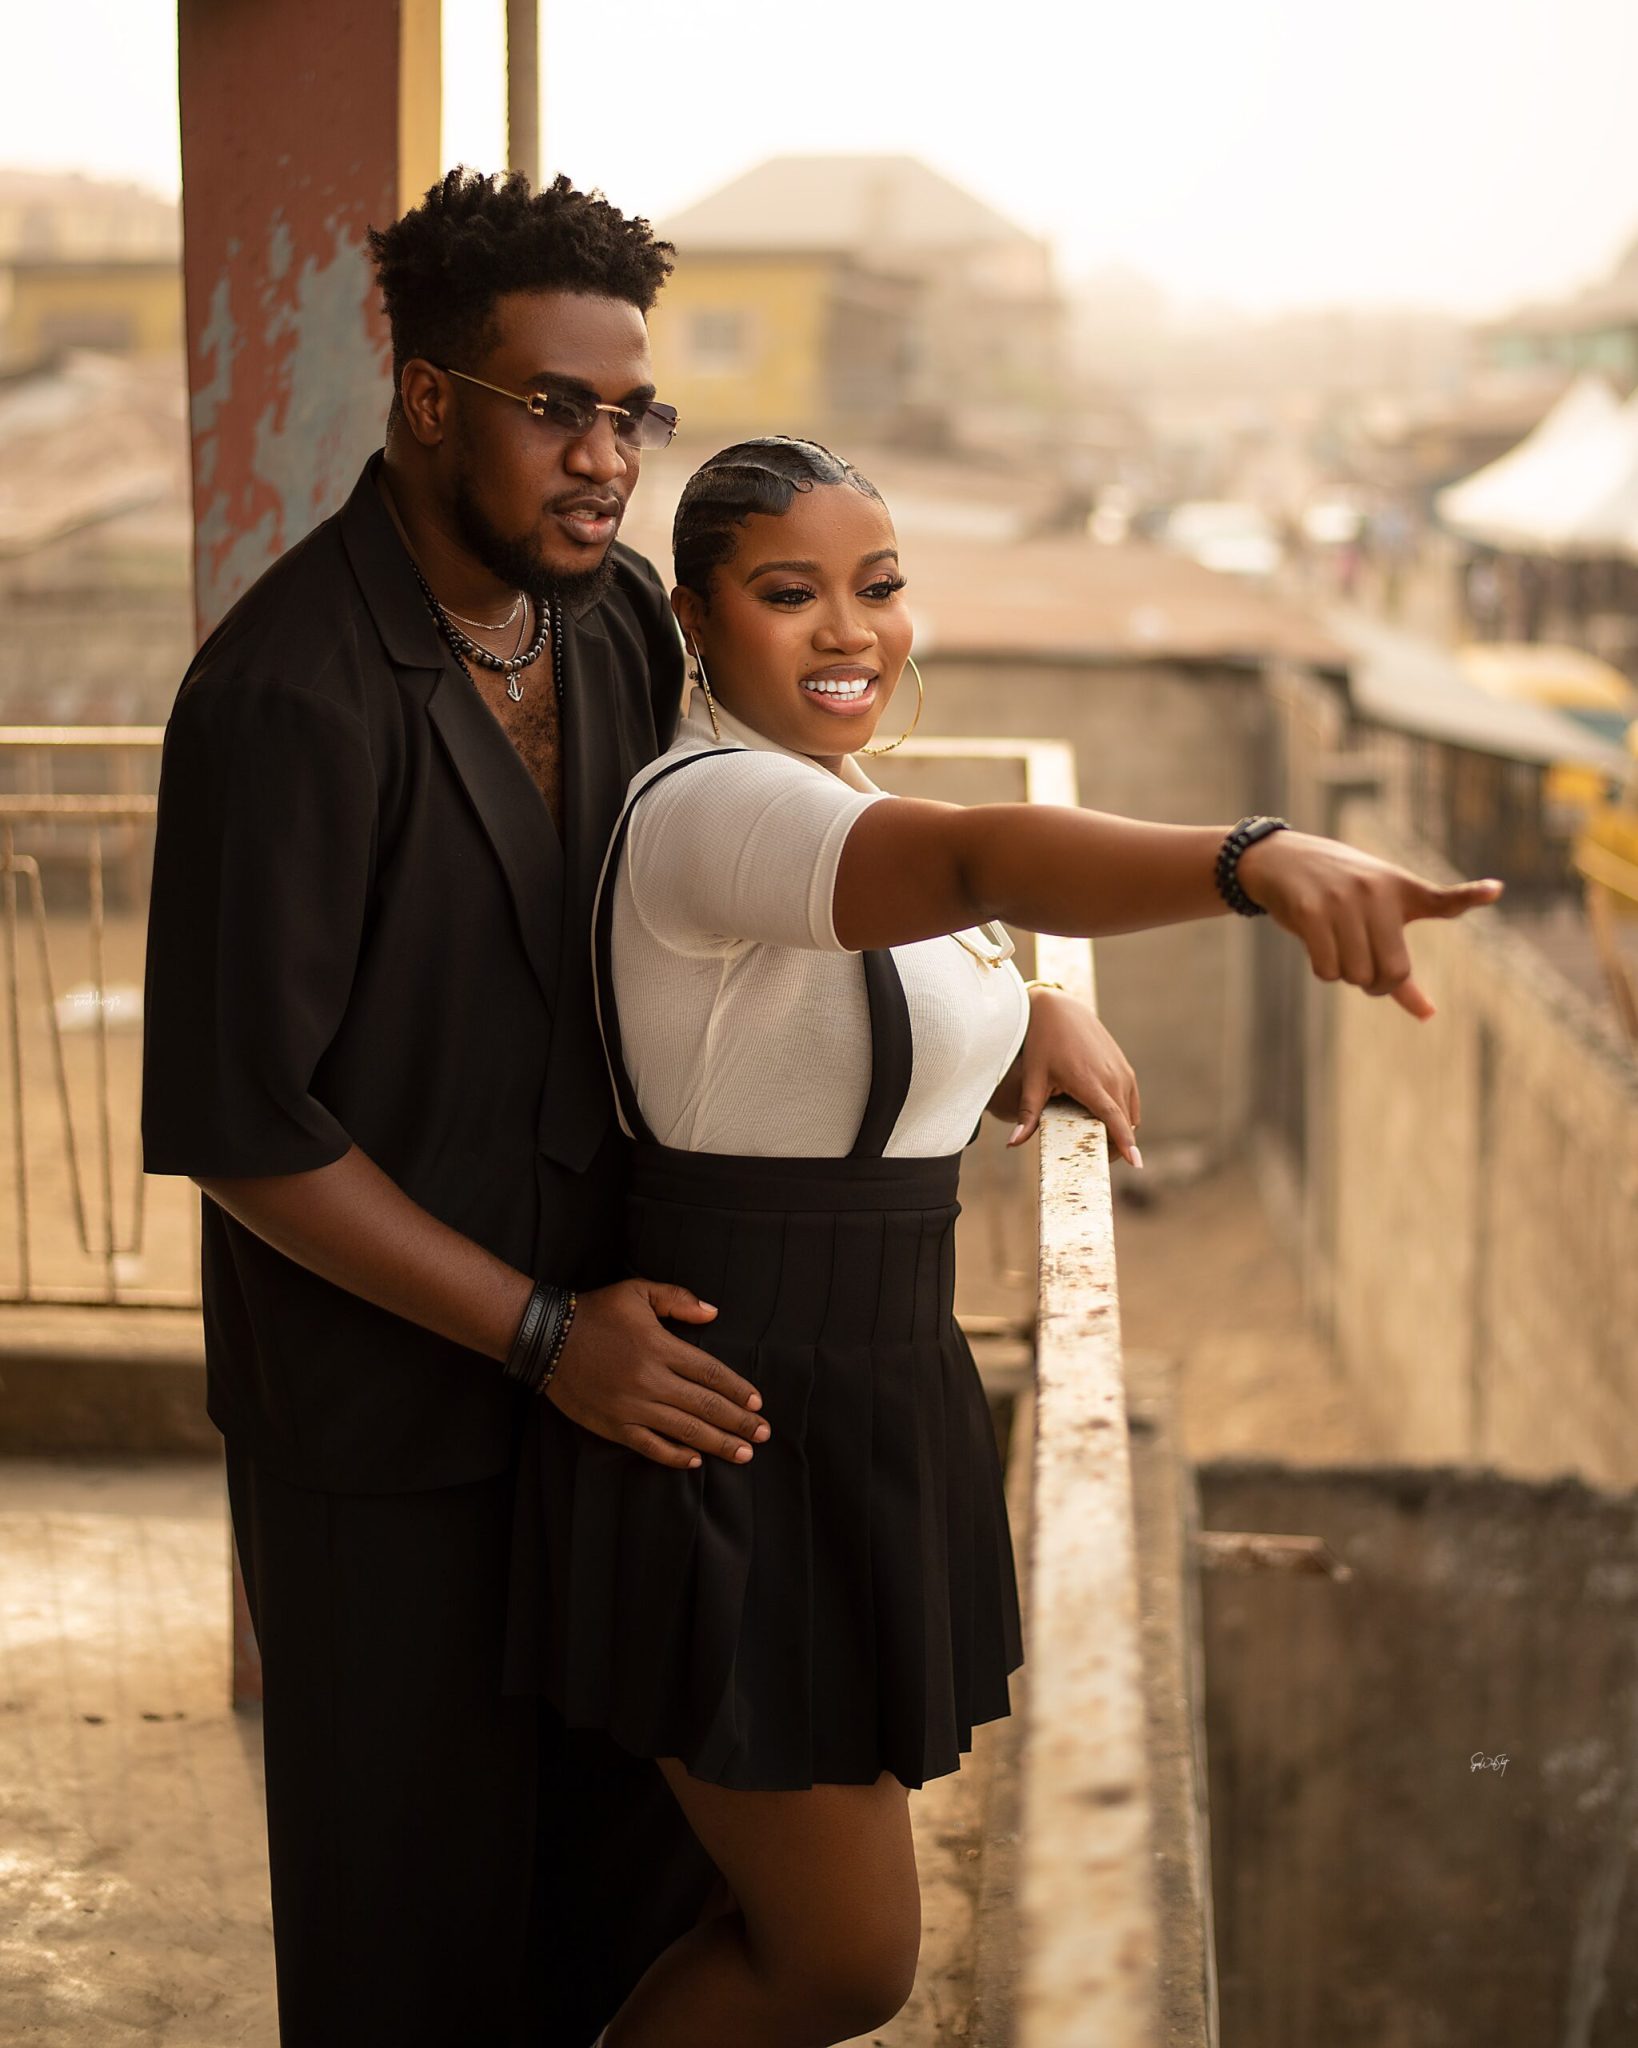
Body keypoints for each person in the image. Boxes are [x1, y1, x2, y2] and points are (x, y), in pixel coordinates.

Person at [140, 170, 1140, 2046]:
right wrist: (538, 1336)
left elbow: (770, 868)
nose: (605, 458)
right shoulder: (285, 697)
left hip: (630, 1393)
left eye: (630, 412)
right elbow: (246, 1134)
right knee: (414, 1942)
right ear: (427, 398)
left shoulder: (603, 625)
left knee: (625, 1904)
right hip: (396, 1431)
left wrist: (1004, 1004)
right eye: (555, 409)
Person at [515, 438, 1507, 2048]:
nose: (850, 631)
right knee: (843, 1964)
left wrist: (1025, 1006)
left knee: (769, 1914)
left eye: (878, 587)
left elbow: (896, 957)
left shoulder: (820, 790)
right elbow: (973, 858)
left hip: (862, 1389)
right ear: (694, 617)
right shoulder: (711, 808)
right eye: (789, 594)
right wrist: (1253, 860)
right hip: (740, 1411)